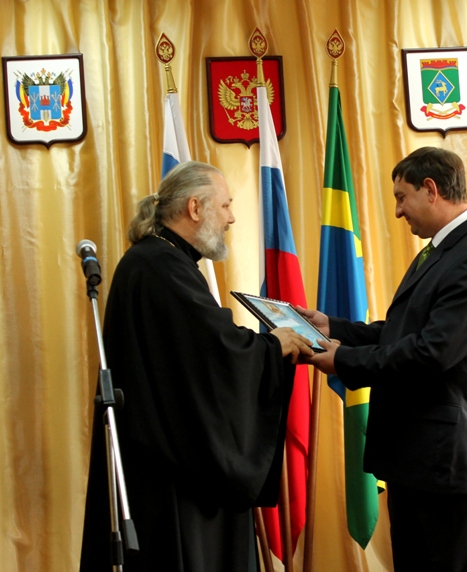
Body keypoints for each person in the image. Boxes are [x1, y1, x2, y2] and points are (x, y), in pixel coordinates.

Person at [79, 161, 314, 571]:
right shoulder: (162, 266)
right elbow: (214, 352)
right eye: (225, 205)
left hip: (160, 457)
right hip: (171, 473)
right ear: (194, 208)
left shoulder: (158, 259)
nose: (231, 218)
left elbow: (199, 348)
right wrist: (272, 346)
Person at [301, 147, 467, 571]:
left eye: (402, 197)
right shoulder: (444, 250)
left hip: (450, 463)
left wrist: (344, 361)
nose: (398, 211)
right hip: (419, 459)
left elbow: (432, 353)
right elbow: (403, 331)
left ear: (431, 189)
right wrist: (333, 327)